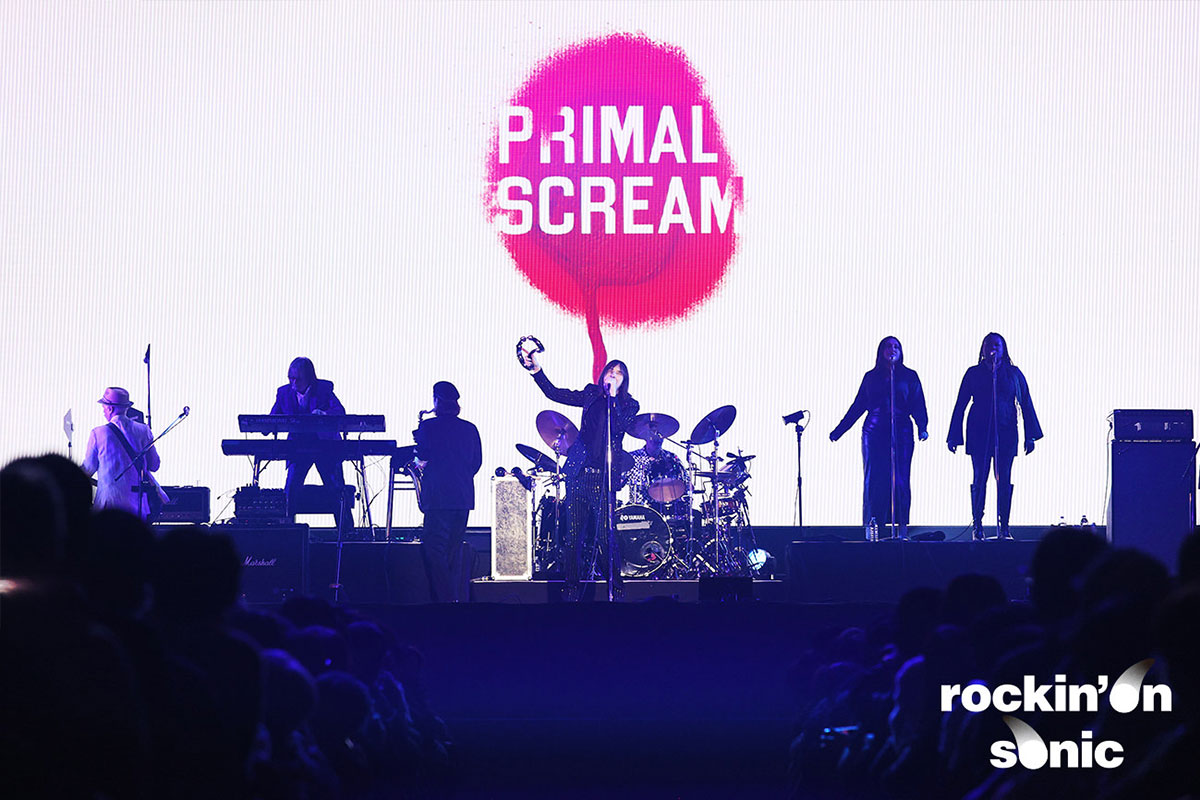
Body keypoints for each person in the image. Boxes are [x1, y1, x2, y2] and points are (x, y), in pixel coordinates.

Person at [526, 353, 639, 599]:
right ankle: (571, 589)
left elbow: (620, 426)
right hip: (578, 474)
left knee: (605, 537)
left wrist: (613, 399)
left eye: (619, 373)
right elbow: (555, 393)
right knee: (573, 536)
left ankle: (616, 588)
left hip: (603, 478)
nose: (613, 375)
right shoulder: (590, 394)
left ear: (624, 380)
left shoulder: (630, 405)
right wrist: (537, 371)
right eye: (610, 371)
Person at [830, 337, 929, 539]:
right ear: (881, 351)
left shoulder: (909, 376)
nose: (892, 349)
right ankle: (873, 527)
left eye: (896, 346)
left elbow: (918, 402)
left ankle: (901, 528)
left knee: (900, 479)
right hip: (874, 433)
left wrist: (922, 426)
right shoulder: (871, 377)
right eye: (888, 346)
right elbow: (858, 405)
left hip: (901, 433)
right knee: (874, 480)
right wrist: (840, 430)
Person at [947, 332, 1043, 540]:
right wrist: (953, 436)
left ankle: (1004, 527)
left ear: (1003, 349)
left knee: (1004, 479)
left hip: (1006, 431)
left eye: (997, 345)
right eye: (989, 344)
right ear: (983, 349)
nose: (993, 348)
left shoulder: (1014, 373)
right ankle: (978, 526)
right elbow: (960, 404)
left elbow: (1026, 402)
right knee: (979, 478)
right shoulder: (973, 373)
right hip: (979, 432)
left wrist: (1030, 436)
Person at [413, 381, 482, 602]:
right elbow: (476, 462)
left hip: (438, 497)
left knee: (435, 551)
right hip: (462, 497)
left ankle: (445, 602)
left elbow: (422, 457)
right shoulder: (470, 428)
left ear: (437, 400)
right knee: (453, 551)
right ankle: (454, 601)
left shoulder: (428, 427)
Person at [270, 357, 350, 529]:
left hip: (325, 446)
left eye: (297, 379)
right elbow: (271, 419)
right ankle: (286, 532)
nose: (293, 383)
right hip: (297, 448)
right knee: (291, 489)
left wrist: (324, 414)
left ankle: (347, 532)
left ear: (309, 378)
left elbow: (340, 411)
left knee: (336, 489)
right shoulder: (283, 392)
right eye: (290, 378)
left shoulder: (324, 389)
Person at [81, 387, 166, 520]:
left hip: (108, 506)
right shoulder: (144, 430)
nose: (103, 411)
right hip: (137, 506)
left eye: (104, 407)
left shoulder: (98, 433)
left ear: (110, 408)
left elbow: (88, 470)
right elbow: (154, 465)